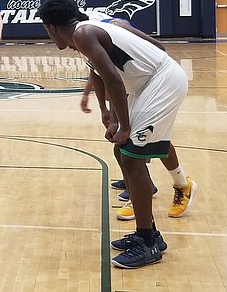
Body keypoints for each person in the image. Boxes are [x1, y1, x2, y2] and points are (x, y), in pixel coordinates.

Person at [37, 0, 197, 269]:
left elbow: (112, 77)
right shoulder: (86, 33)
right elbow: (100, 75)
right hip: (146, 85)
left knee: (133, 156)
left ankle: (148, 244)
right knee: (121, 150)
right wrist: (108, 115)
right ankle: (150, 234)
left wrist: (123, 125)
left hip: (161, 82)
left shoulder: (84, 33)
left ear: (51, 28)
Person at [80, 12, 194, 221]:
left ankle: (151, 191)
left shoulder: (114, 28)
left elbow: (159, 48)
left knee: (137, 144)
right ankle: (167, 185)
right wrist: (106, 111)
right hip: (136, 88)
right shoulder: (86, 39)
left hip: (159, 82)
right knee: (149, 141)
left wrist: (118, 120)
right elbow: (97, 74)